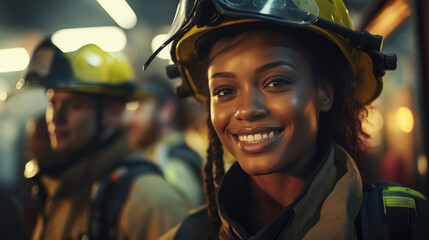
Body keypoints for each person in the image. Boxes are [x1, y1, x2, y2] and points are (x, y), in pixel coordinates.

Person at [144, 0, 429, 239]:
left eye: (276, 82)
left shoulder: (404, 225)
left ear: (325, 93)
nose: (246, 110)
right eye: (225, 90)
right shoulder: (184, 235)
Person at [23, 38, 191, 240]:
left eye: (74, 105)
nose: (56, 118)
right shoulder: (60, 188)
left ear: (113, 114)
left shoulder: (149, 199)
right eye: (53, 103)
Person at [124, 75, 205, 207]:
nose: (128, 119)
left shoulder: (174, 164)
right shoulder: (160, 156)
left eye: (138, 107)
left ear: (167, 111)